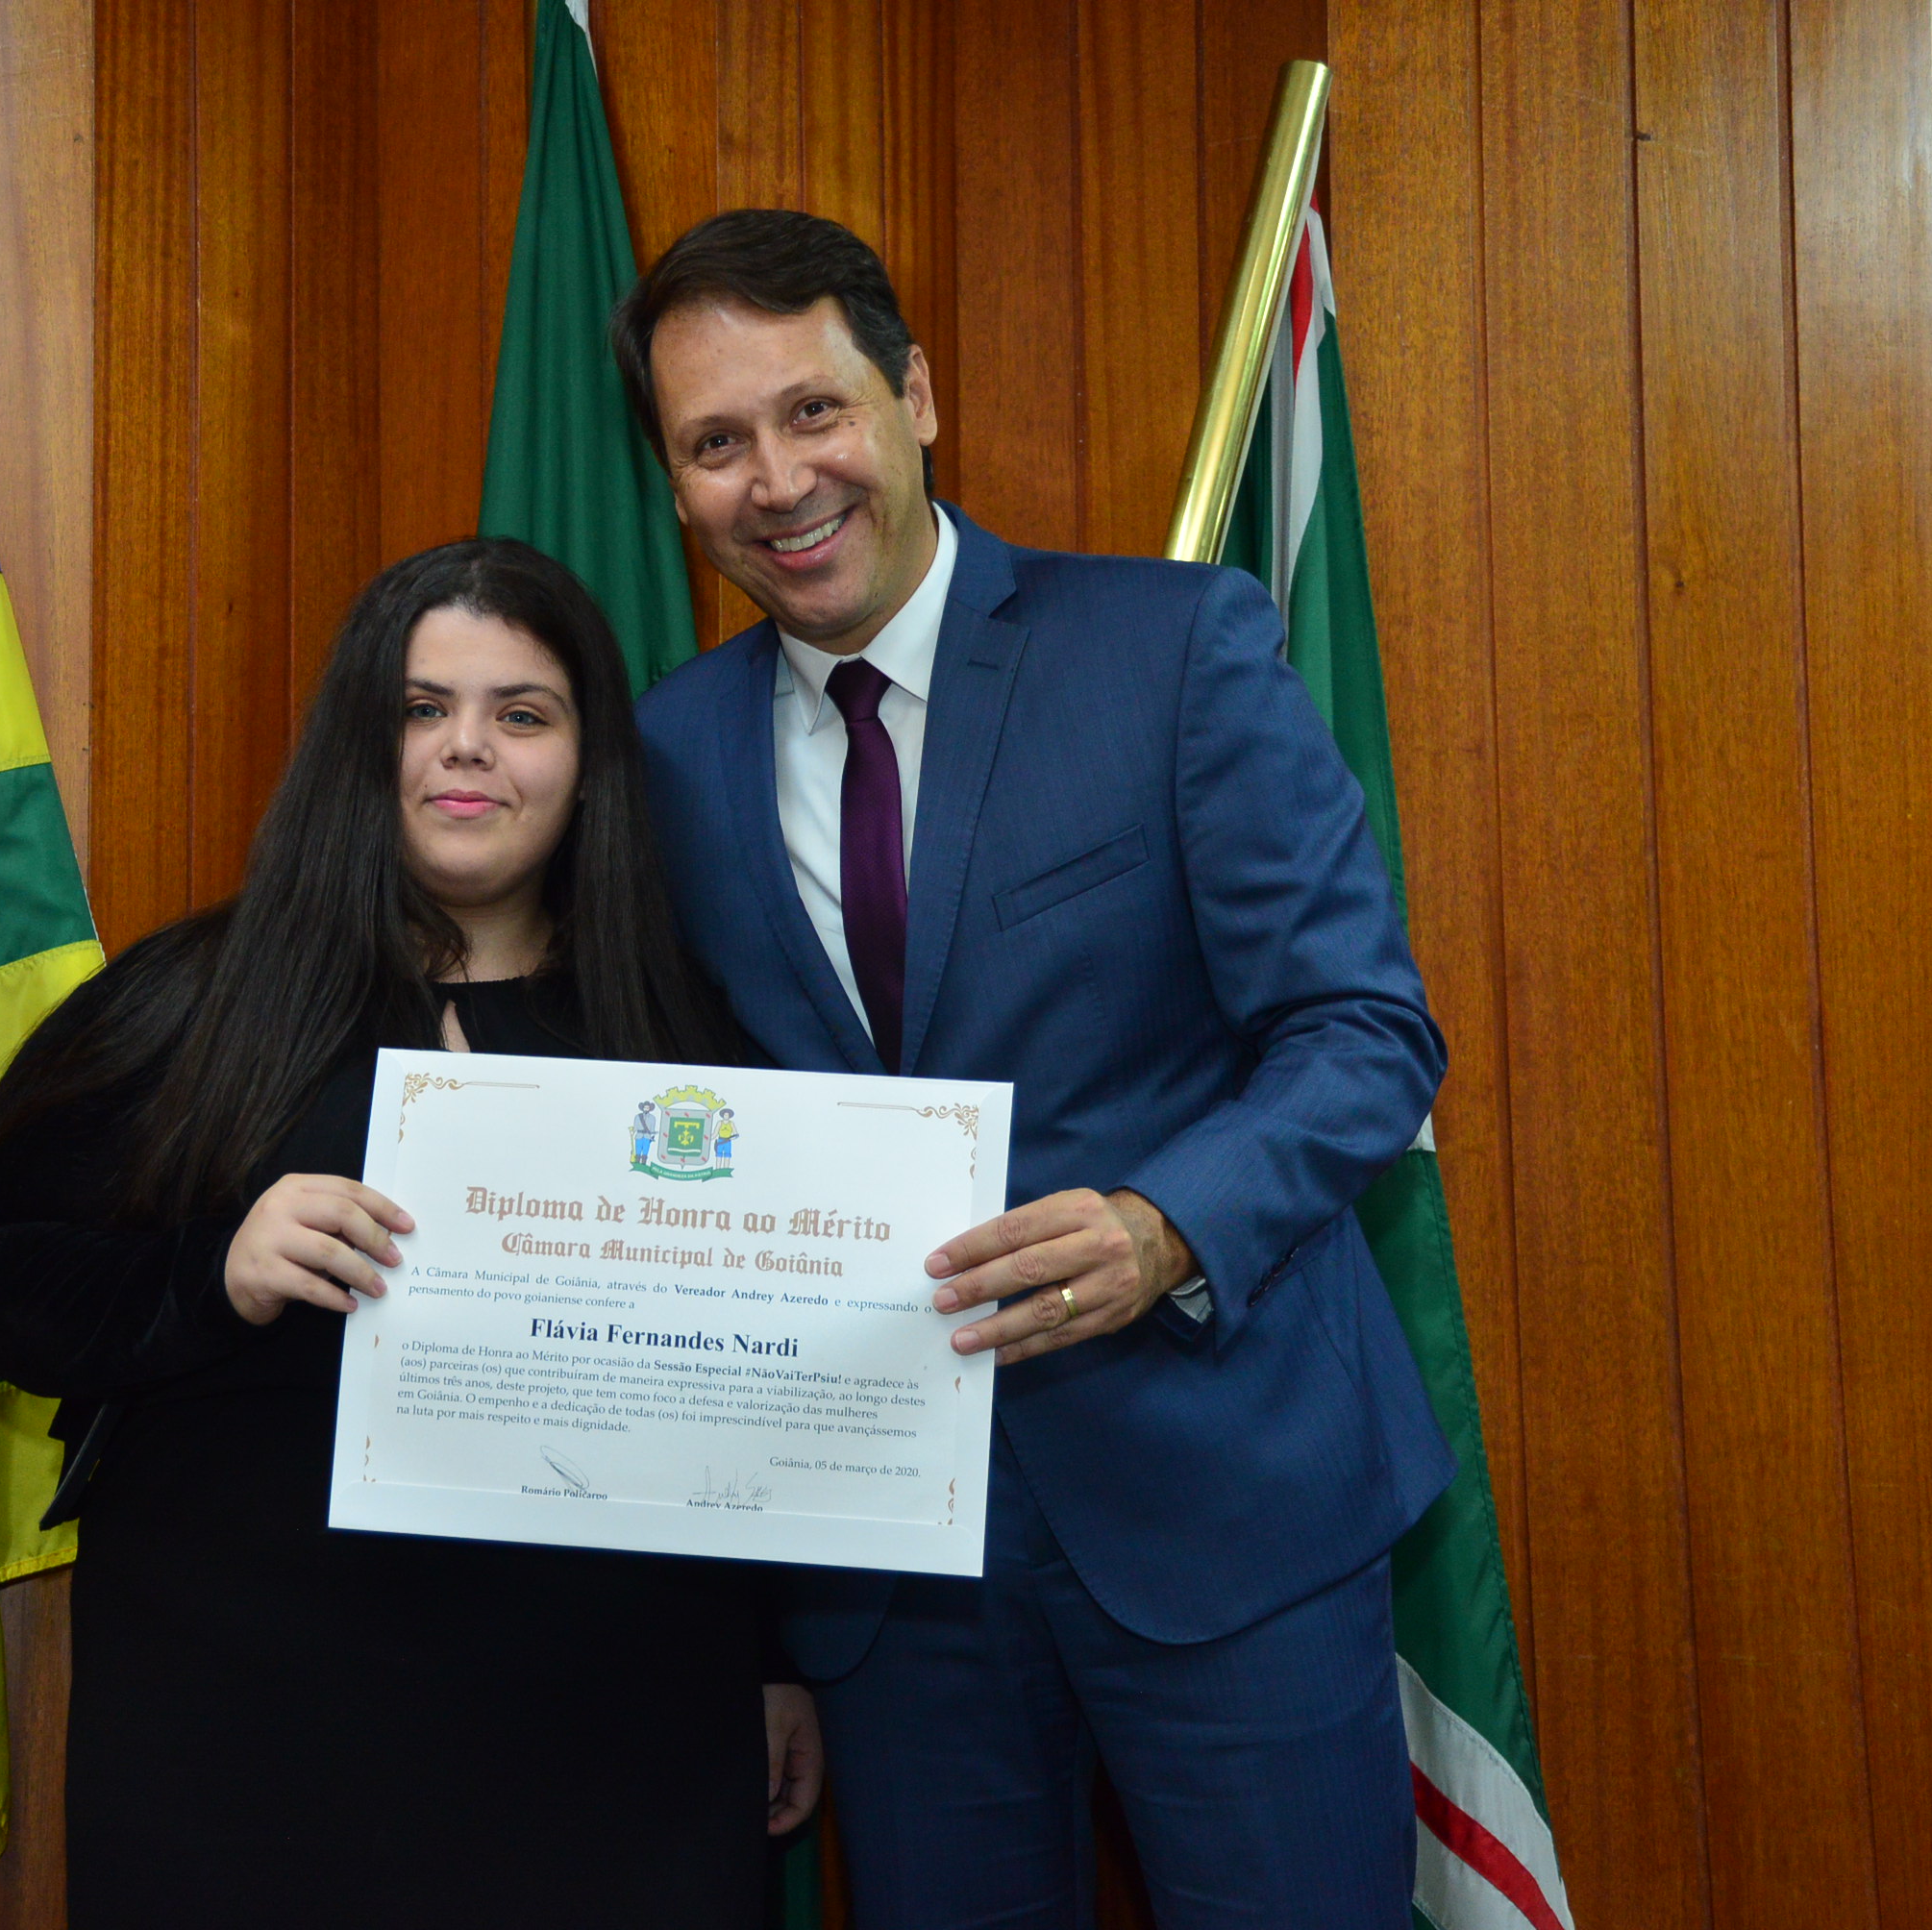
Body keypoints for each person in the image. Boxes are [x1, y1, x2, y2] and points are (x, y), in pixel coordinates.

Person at [617, 210, 1454, 1928]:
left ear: (915, 398)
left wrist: (1163, 1225)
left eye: (814, 411)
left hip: (1228, 1506)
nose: (777, 481)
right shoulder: (666, 757)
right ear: (676, 485)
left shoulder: (1172, 649)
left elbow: (1364, 1030)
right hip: (886, 1578)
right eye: (715, 443)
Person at [0, 537, 821, 1930]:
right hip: (250, 1749)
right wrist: (215, 1274)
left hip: (614, 1748)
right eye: (421, 709)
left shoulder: (685, 1045)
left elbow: (754, 1392)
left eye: (522, 713)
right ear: (360, 745)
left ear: (590, 766)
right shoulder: (199, 1001)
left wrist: (769, 1654)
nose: (468, 748)